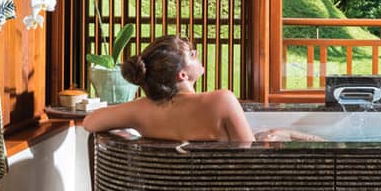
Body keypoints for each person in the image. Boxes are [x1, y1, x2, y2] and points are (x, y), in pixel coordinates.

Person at [82, 35, 255, 144]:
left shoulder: (141, 109)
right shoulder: (222, 101)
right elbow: (250, 156)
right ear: (182, 75)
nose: (198, 54)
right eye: (192, 54)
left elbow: (90, 122)